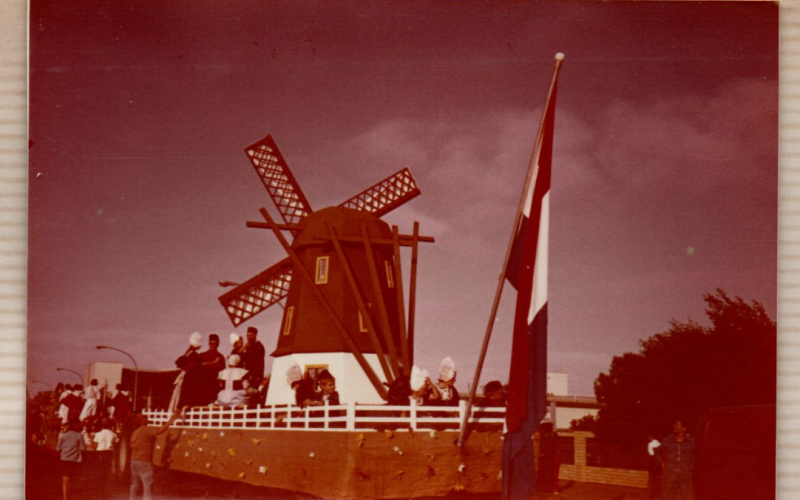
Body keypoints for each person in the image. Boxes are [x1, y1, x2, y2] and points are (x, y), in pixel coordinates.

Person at [129, 412, 180, 500]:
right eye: (145, 417)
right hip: (144, 460)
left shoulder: (135, 432)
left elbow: (131, 445)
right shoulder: (146, 429)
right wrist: (171, 421)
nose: (147, 418)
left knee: (134, 483)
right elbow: (160, 430)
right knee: (147, 484)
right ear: (141, 421)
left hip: (134, 460)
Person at [660, 420, 695, 500]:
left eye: (677, 425)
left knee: (687, 496)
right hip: (670, 473)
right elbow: (657, 451)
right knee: (667, 496)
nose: (674, 426)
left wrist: (690, 470)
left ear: (684, 428)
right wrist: (661, 463)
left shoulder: (690, 442)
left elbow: (692, 458)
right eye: (674, 424)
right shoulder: (667, 440)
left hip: (685, 473)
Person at [56, 420, 85, 500]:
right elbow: (82, 448)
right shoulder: (79, 435)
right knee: (71, 477)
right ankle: (70, 494)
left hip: (64, 459)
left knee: (65, 479)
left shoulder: (62, 435)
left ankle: (65, 497)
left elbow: (58, 448)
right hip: (75, 459)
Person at [174, 332, 203, 408]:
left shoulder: (188, 353)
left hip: (185, 375)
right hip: (190, 376)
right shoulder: (194, 355)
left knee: (182, 391)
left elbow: (178, 363)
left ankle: (181, 407)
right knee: (188, 391)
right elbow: (192, 365)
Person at [93, 418, 120, 497]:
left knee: (99, 472)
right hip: (108, 453)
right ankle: (103, 490)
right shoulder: (113, 434)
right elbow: (117, 443)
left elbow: (94, 445)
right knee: (106, 472)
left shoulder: (98, 434)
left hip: (99, 453)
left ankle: (99, 491)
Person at [198, 334, 226, 405]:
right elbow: (198, 365)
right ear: (208, 343)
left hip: (214, 385)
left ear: (218, 344)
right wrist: (214, 363)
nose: (213, 345)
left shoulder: (220, 356)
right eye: (211, 343)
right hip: (203, 384)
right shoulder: (202, 355)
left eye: (215, 343)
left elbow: (222, 371)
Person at [537, 422, 561, 494]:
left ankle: (545, 488)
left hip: (546, 457)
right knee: (553, 473)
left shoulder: (543, 435)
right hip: (554, 456)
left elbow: (542, 446)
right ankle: (554, 489)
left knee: (545, 472)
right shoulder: (555, 434)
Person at [647, 434, 662, 499]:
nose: (648, 438)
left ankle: (650, 495)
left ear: (651, 437)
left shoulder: (650, 444)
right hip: (659, 464)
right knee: (658, 479)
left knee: (651, 480)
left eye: (649, 437)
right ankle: (657, 493)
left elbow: (651, 454)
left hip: (653, 464)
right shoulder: (659, 443)